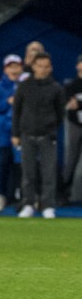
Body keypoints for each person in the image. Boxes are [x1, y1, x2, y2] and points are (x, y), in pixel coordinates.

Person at [13, 52, 66, 218]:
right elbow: (17, 111)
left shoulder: (56, 88)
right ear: (33, 67)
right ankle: (28, 204)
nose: (43, 69)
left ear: (50, 68)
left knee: (48, 173)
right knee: (28, 173)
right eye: (40, 66)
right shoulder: (24, 86)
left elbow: (60, 113)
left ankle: (48, 205)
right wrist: (16, 133)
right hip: (27, 135)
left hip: (47, 136)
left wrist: (51, 128)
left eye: (46, 66)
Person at [0, 54, 23, 212]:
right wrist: (8, 102)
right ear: (5, 69)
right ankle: (0, 196)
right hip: (3, 132)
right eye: (11, 67)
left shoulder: (25, 85)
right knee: (2, 165)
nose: (14, 70)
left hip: (21, 132)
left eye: (17, 66)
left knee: (19, 166)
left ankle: (19, 196)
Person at [63, 54, 82, 203]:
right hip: (74, 124)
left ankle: (76, 196)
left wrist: (79, 104)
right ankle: (63, 193)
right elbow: (69, 104)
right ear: (77, 65)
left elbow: (76, 104)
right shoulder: (71, 85)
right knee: (70, 159)